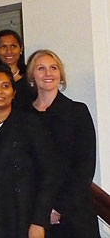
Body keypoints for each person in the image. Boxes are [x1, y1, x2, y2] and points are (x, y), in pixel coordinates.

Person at [26, 50, 99, 237]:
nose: (48, 73)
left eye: (53, 68)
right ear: (32, 76)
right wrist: (41, 211)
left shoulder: (77, 112)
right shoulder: (22, 116)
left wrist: (58, 207)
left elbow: (84, 167)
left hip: (74, 215)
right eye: (41, 68)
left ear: (61, 75)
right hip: (33, 216)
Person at [0, 67, 57, 238]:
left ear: (14, 92)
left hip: (23, 215)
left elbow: (49, 174)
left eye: (5, 86)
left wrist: (39, 221)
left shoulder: (31, 125)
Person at [0, 29, 31, 109]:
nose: (9, 51)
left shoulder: (31, 76)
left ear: (21, 49)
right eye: (3, 47)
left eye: (13, 46)